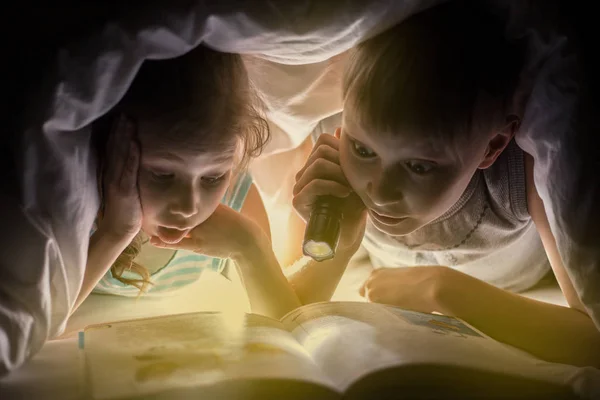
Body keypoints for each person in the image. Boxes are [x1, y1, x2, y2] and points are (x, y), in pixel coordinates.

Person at [288, 1, 600, 367]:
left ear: (492, 146)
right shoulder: (330, 147)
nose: (379, 192)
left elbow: (591, 335)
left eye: (419, 167)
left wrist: (446, 290)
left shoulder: (525, 168)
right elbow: (288, 313)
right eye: (363, 149)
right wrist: (338, 248)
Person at [75, 44, 299, 320]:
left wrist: (250, 247)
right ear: (113, 148)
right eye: (162, 176)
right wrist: (115, 233)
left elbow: (285, 326)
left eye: (213, 177)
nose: (188, 206)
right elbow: (32, 326)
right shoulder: (80, 202)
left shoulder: (235, 198)